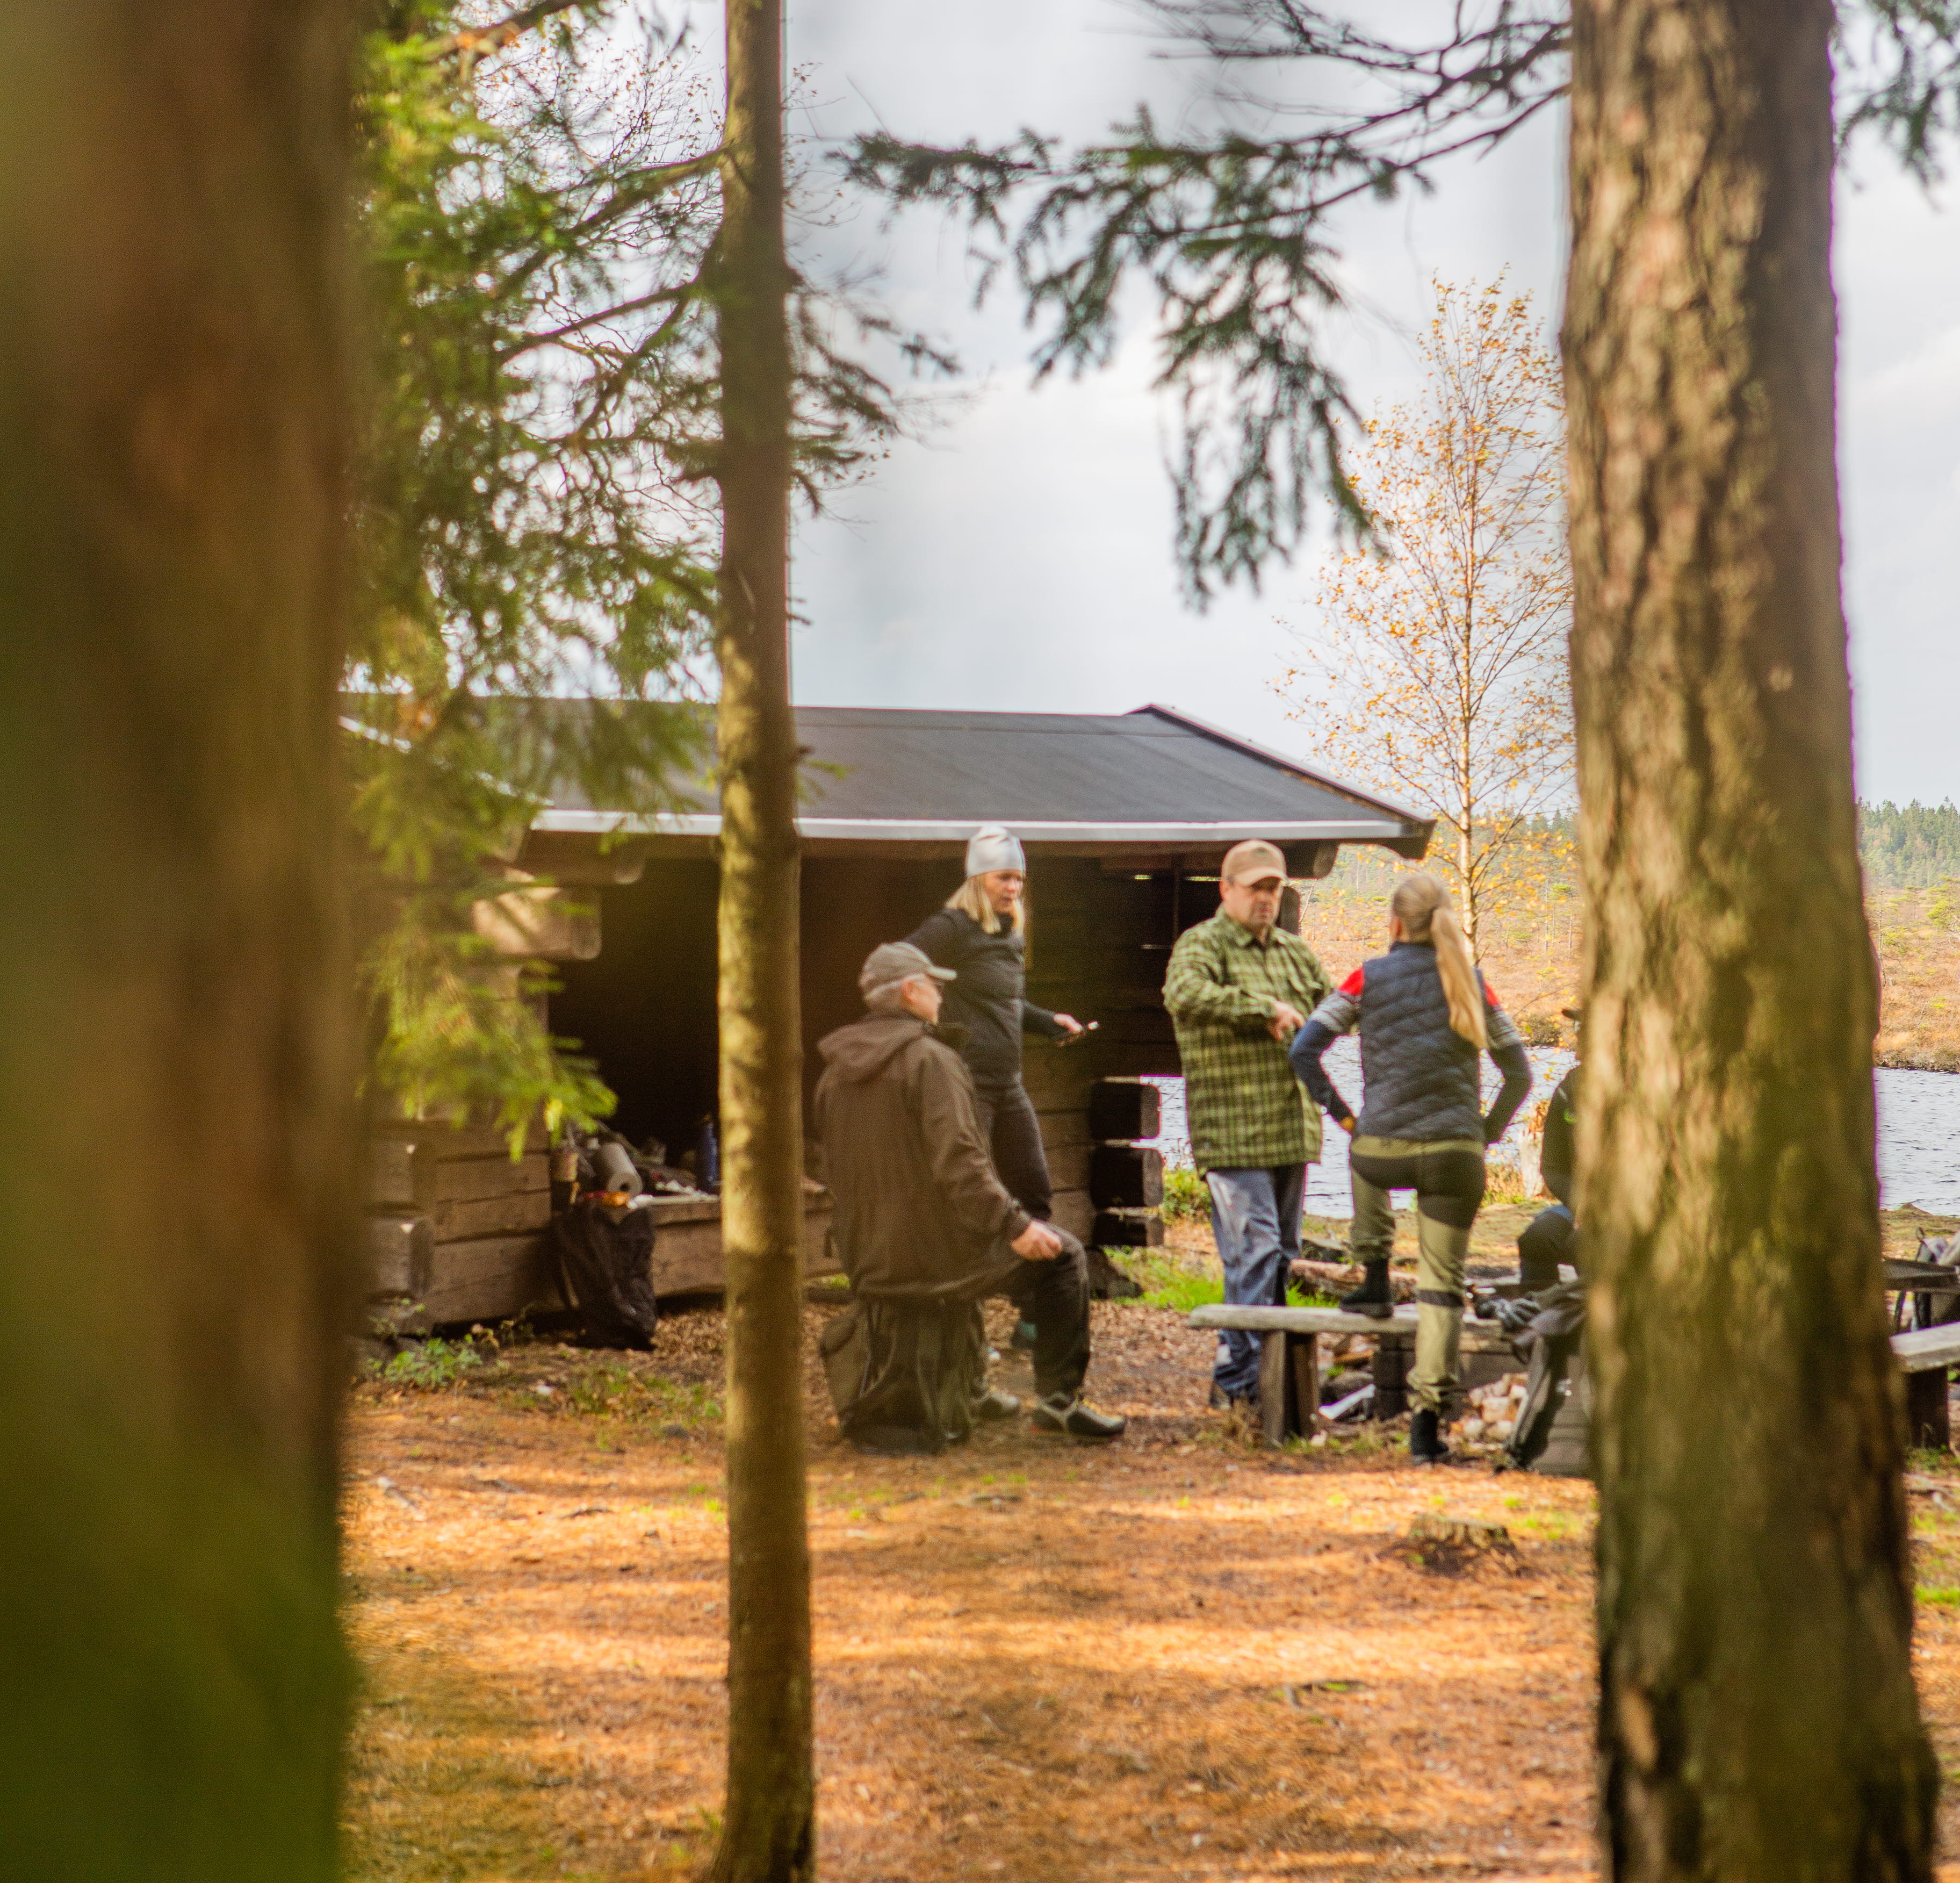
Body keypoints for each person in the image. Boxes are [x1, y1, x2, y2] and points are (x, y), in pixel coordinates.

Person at [812, 940, 1126, 1443]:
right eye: (934, 986)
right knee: (1063, 1256)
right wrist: (1015, 1225)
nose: (941, 996)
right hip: (928, 1254)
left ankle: (974, 1389)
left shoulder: (833, 1074)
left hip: (867, 1255)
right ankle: (1060, 1404)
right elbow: (961, 1163)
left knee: (967, 1231)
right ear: (911, 992)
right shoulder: (930, 1061)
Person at [1289, 873, 1533, 1464]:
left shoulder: (1366, 977)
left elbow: (1304, 1049)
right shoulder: (1473, 984)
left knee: (1362, 1151)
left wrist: (1346, 1118)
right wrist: (1487, 1132)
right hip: (1456, 1156)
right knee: (1440, 1291)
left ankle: (1373, 1272)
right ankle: (1426, 1430)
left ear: (1394, 925)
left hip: (1382, 1150)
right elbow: (1521, 1074)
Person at [1163, 839, 1332, 1410]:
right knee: (1254, 1252)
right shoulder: (1201, 946)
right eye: (1256, 887)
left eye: (1274, 887)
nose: (1266, 898)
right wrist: (1264, 1010)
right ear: (1227, 890)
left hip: (1292, 1128)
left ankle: (1255, 1379)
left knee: (1280, 1255)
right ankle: (1245, 1389)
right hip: (1232, 1132)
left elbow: (1335, 1009)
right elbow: (1183, 994)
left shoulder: (1295, 953)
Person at [906, 826, 1084, 1221]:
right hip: (968, 1084)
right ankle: (962, 1281)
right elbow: (894, 967)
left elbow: (1005, 1004)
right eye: (1003, 877)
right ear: (977, 878)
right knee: (970, 1191)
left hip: (1008, 1083)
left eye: (1019, 879)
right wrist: (930, 1028)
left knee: (1033, 1190)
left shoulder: (1010, 935)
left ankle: (1030, 1281)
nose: (1013, 888)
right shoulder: (951, 927)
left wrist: (1047, 1021)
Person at [1517, 1008, 1582, 1291]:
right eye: (1578, 1032)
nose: (1578, 1042)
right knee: (1537, 1239)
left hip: (1637, 1208)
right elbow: (1553, 1167)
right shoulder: (1570, 1088)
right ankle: (1540, 1320)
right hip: (1581, 1203)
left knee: (1589, 1246)